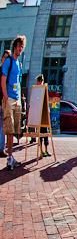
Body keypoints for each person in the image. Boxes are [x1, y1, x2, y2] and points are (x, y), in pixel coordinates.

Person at [2, 38, 26, 169]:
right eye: (18, 46)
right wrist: (6, 97)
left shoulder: (19, 64)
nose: (20, 49)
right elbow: (3, 79)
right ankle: (9, 158)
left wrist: (20, 98)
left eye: (22, 46)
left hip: (16, 99)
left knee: (16, 130)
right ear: (14, 47)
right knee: (9, 130)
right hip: (9, 99)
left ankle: (11, 156)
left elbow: (19, 81)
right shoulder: (8, 61)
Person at [34, 75, 51, 158]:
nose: (36, 83)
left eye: (37, 81)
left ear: (40, 81)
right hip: (42, 114)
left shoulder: (40, 89)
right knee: (44, 133)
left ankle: (44, 150)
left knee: (44, 133)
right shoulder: (42, 89)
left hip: (42, 114)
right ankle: (43, 150)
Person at [0, 50, 10, 158]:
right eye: (4, 58)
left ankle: (1, 149)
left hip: (3, 103)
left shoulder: (8, 73)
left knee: (3, 127)